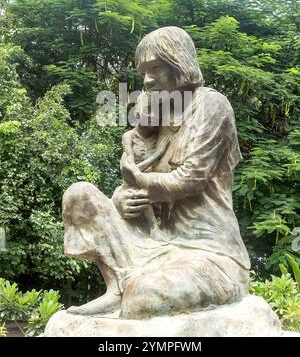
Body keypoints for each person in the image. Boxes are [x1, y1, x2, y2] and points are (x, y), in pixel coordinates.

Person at [63, 26, 250, 319]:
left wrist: (138, 182)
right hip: (151, 245)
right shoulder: (156, 113)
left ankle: (130, 288)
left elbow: (189, 179)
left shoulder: (212, 106)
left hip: (207, 252)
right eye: (143, 74)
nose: (147, 80)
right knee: (79, 196)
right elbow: (132, 185)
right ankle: (116, 288)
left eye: (155, 68)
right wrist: (120, 201)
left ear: (180, 65)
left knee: (143, 294)